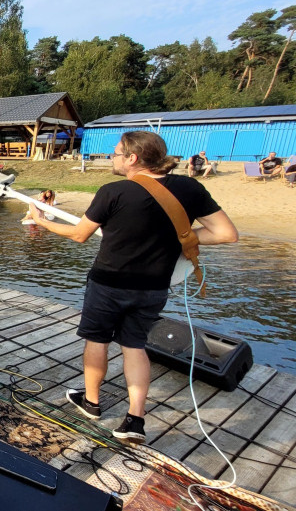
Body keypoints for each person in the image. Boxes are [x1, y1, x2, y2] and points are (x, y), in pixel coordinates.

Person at [28, 131, 238, 443]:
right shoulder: (189, 187)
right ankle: (135, 421)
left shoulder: (113, 192)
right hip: (153, 289)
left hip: (108, 284)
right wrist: (179, 237)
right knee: (134, 346)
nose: (112, 158)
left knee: (96, 341)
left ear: (132, 158)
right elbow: (226, 233)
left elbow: (78, 235)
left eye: (116, 153)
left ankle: (91, 403)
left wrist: (40, 220)